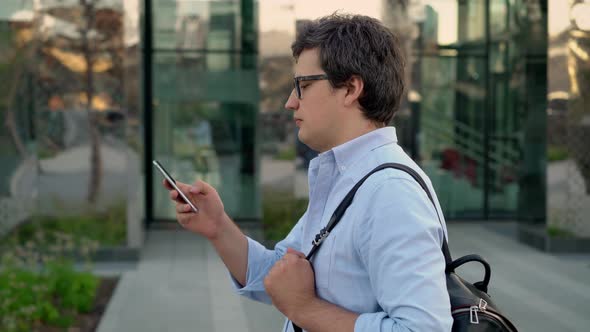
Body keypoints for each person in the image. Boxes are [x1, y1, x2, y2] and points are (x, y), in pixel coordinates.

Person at [164, 13, 452, 332]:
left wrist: (304, 308)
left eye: (303, 85)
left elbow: (423, 328)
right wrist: (218, 227)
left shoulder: (390, 192)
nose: (290, 102)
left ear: (350, 88)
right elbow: (278, 276)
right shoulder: (349, 177)